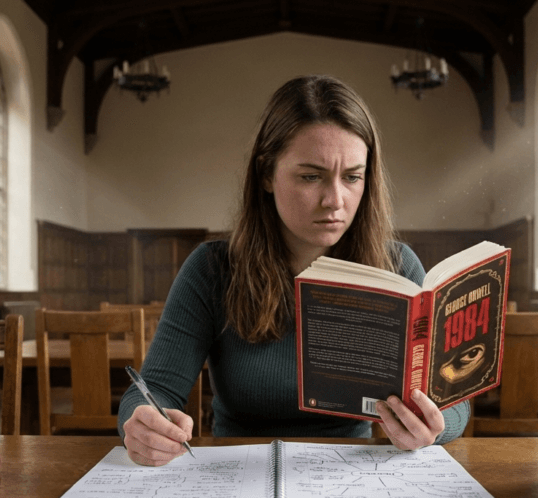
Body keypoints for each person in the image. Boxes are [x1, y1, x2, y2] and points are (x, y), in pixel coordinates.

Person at [118, 74, 470, 466]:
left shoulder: (398, 266)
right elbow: (154, 389)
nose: (335, 200)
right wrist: (143, 422)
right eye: (310, 176)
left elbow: (454, 404)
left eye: (353, 177)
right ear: (266, 174)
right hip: (236, 469)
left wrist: (435, 425)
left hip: (350, 470)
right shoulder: (211, 269)